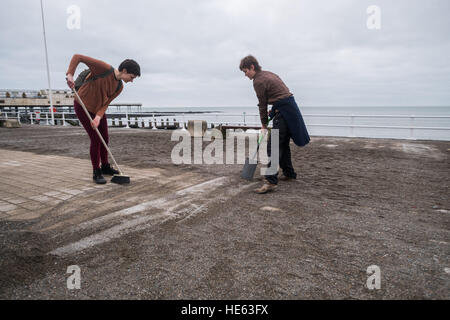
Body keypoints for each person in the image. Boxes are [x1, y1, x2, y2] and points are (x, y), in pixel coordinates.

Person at [239, 55, 310, 194]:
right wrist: (276, 108)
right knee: (282, 144)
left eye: (245, 71)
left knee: (273, 146)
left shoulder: (258, 81)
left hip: (284, 112)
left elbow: (262, 104)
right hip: (289, 110)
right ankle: (289, 173)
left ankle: (271, 181)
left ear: (252, 67)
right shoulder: (269, 74)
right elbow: (282, 95)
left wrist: (264, 125)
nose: (245, 75)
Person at [66, 54, 140, 184]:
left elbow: (106, 103)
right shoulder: (104, 68)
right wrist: (70, 74)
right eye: (132, 77)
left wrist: (98, 117)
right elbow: (78, 57)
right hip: (82, 106)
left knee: (104, 137)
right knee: (95, 138)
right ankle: (96, 171)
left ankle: (105, 166)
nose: (132, 80)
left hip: (97, 110)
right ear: (124, 71)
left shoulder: (119, 87)